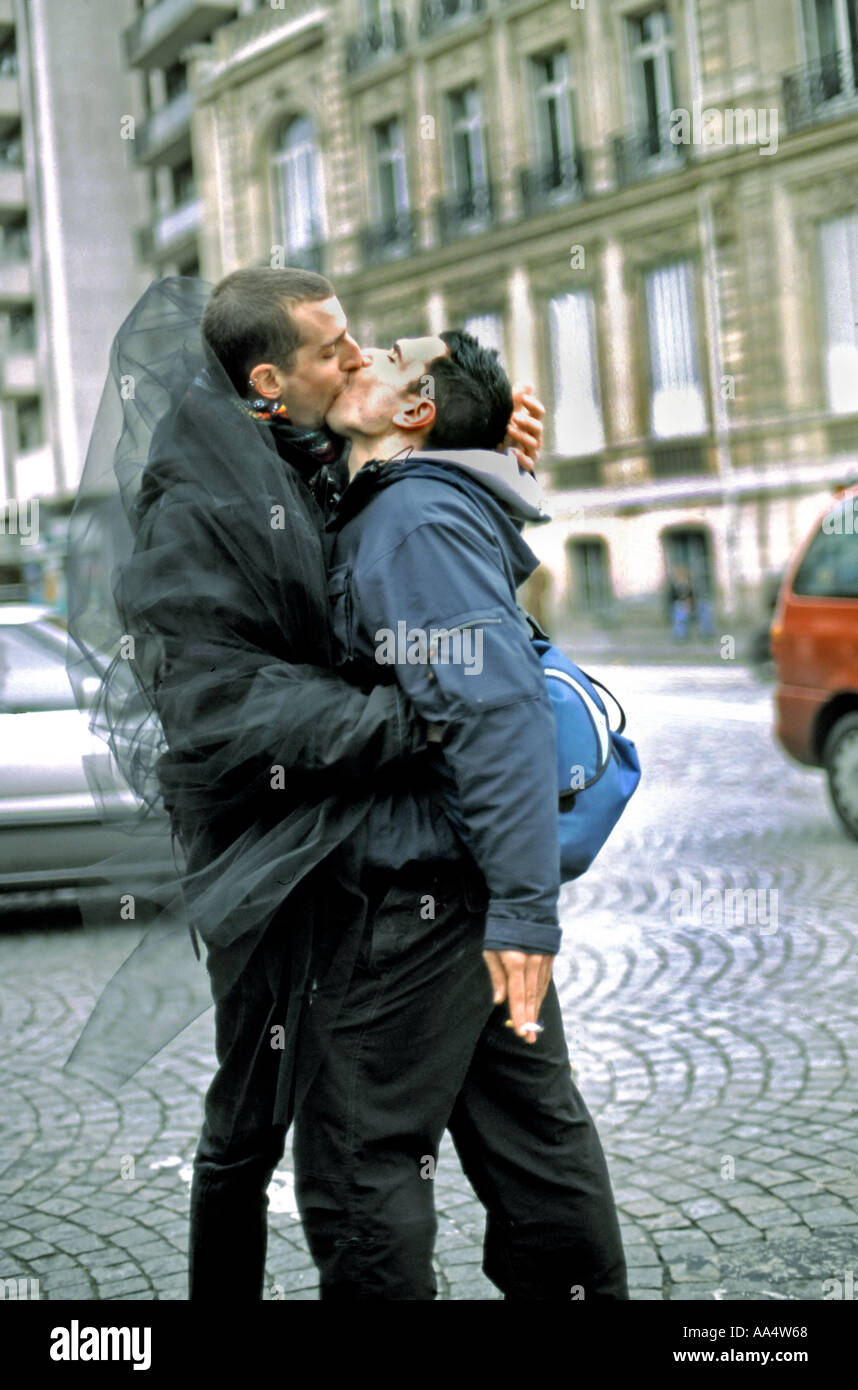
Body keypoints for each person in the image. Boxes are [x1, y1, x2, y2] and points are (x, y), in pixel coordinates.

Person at [64, 270, 544, 1303]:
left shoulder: (311, 449)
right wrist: (417, 718)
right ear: (270, 379)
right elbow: (224, 700)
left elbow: (399, 570)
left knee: (364, 1112)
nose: (359, 354)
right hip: (261, 852)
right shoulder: (197, 503)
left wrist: (480, 458)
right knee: (247, 1115)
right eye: (334, 348)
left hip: (352, 845)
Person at [287, 330, 629, 1301]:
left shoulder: (415, 521)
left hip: (424, 905)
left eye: (386, 352)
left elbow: (496, 709)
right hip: (463, 892)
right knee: (534, 1147)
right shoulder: (411, 502)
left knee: (359, 1159)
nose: (357, 352)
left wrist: (525, 913)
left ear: (415, 410)